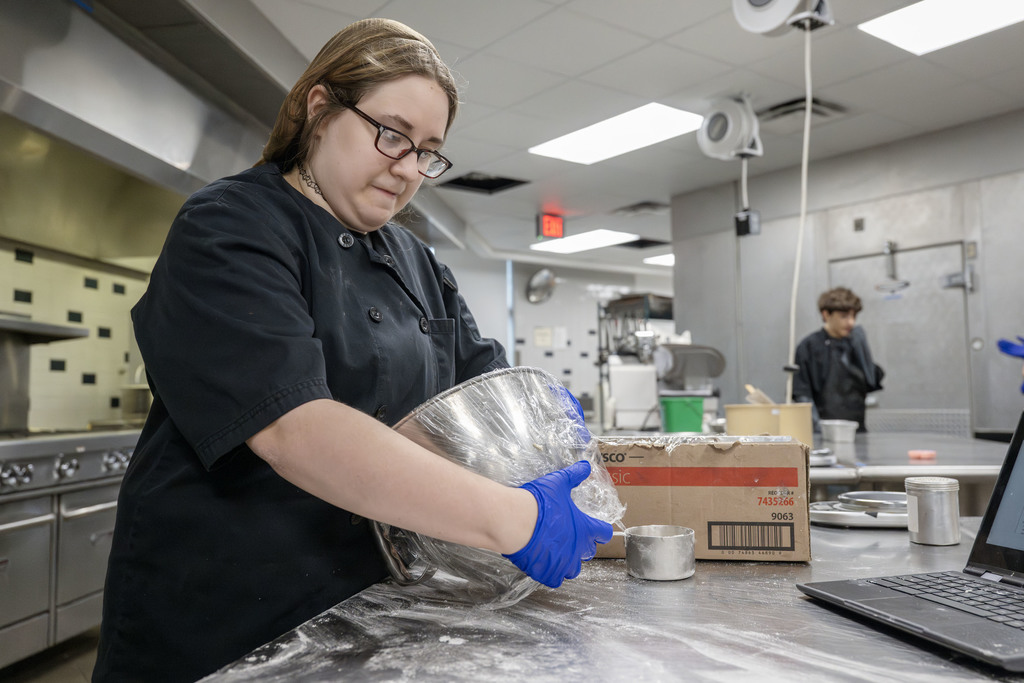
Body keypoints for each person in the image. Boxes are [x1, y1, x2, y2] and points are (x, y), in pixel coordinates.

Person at [92, 18, 612, 683]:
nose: (408, 168)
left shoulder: (417, 261)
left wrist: (545, 434)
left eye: (428, 152)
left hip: (370, 605)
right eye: (392, 134)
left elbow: (481, 391)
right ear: (319, 109)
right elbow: (294, 429)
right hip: (224, 614)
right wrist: (514, 518)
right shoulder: (229, 227)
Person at [792, 287, 884, 432]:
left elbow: (871, 381)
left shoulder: (854, 344)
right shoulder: (809, 347)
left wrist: (862, 347)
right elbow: (802, 395)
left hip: (856, 430)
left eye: (853, 316)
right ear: (826, 314)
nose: (851, 322)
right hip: (823, 431)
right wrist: (819, 431)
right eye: (844, 316)